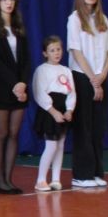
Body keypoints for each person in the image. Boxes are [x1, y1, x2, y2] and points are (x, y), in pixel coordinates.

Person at [66, 0, 108, 189]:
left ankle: (96, 172)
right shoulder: (75, 19)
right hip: (82, 77)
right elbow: (76, 51)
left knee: (98, 127)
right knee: (83, 126)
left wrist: (102, 75)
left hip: (99, 77)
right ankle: (81, 174)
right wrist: (92, 79)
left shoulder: (103, 19)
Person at [0, 0, 31, 194]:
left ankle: (9, 179)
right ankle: (0, 180)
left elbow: (26, 60)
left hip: (20, 88)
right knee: (1, 133)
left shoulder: (20, 28)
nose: (9, 2)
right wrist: (14, 84)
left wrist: (23, 83)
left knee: (14, 133)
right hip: (1, 87)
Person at [31, 36, 75, 192]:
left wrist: (69, 109)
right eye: (52, 50)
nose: (56, 53)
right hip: (49, 111)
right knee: (51, 145)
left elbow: (71, 92)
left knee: (60, 145)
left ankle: (56, 179)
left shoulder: (66, 71)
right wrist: (53, 111)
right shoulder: (41, 70)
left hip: (62, 108)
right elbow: (39, 93)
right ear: (45, 53)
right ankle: (41, 180)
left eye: (58, 49)